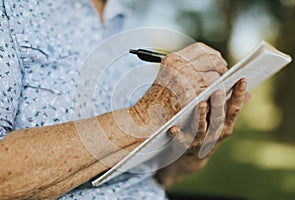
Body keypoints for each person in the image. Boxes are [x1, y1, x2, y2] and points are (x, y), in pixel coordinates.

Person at [0, 0, 248, 199]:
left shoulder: (131, 25)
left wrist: (193, 147)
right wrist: (142, 116)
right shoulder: (12, 10)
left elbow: (159, 176)